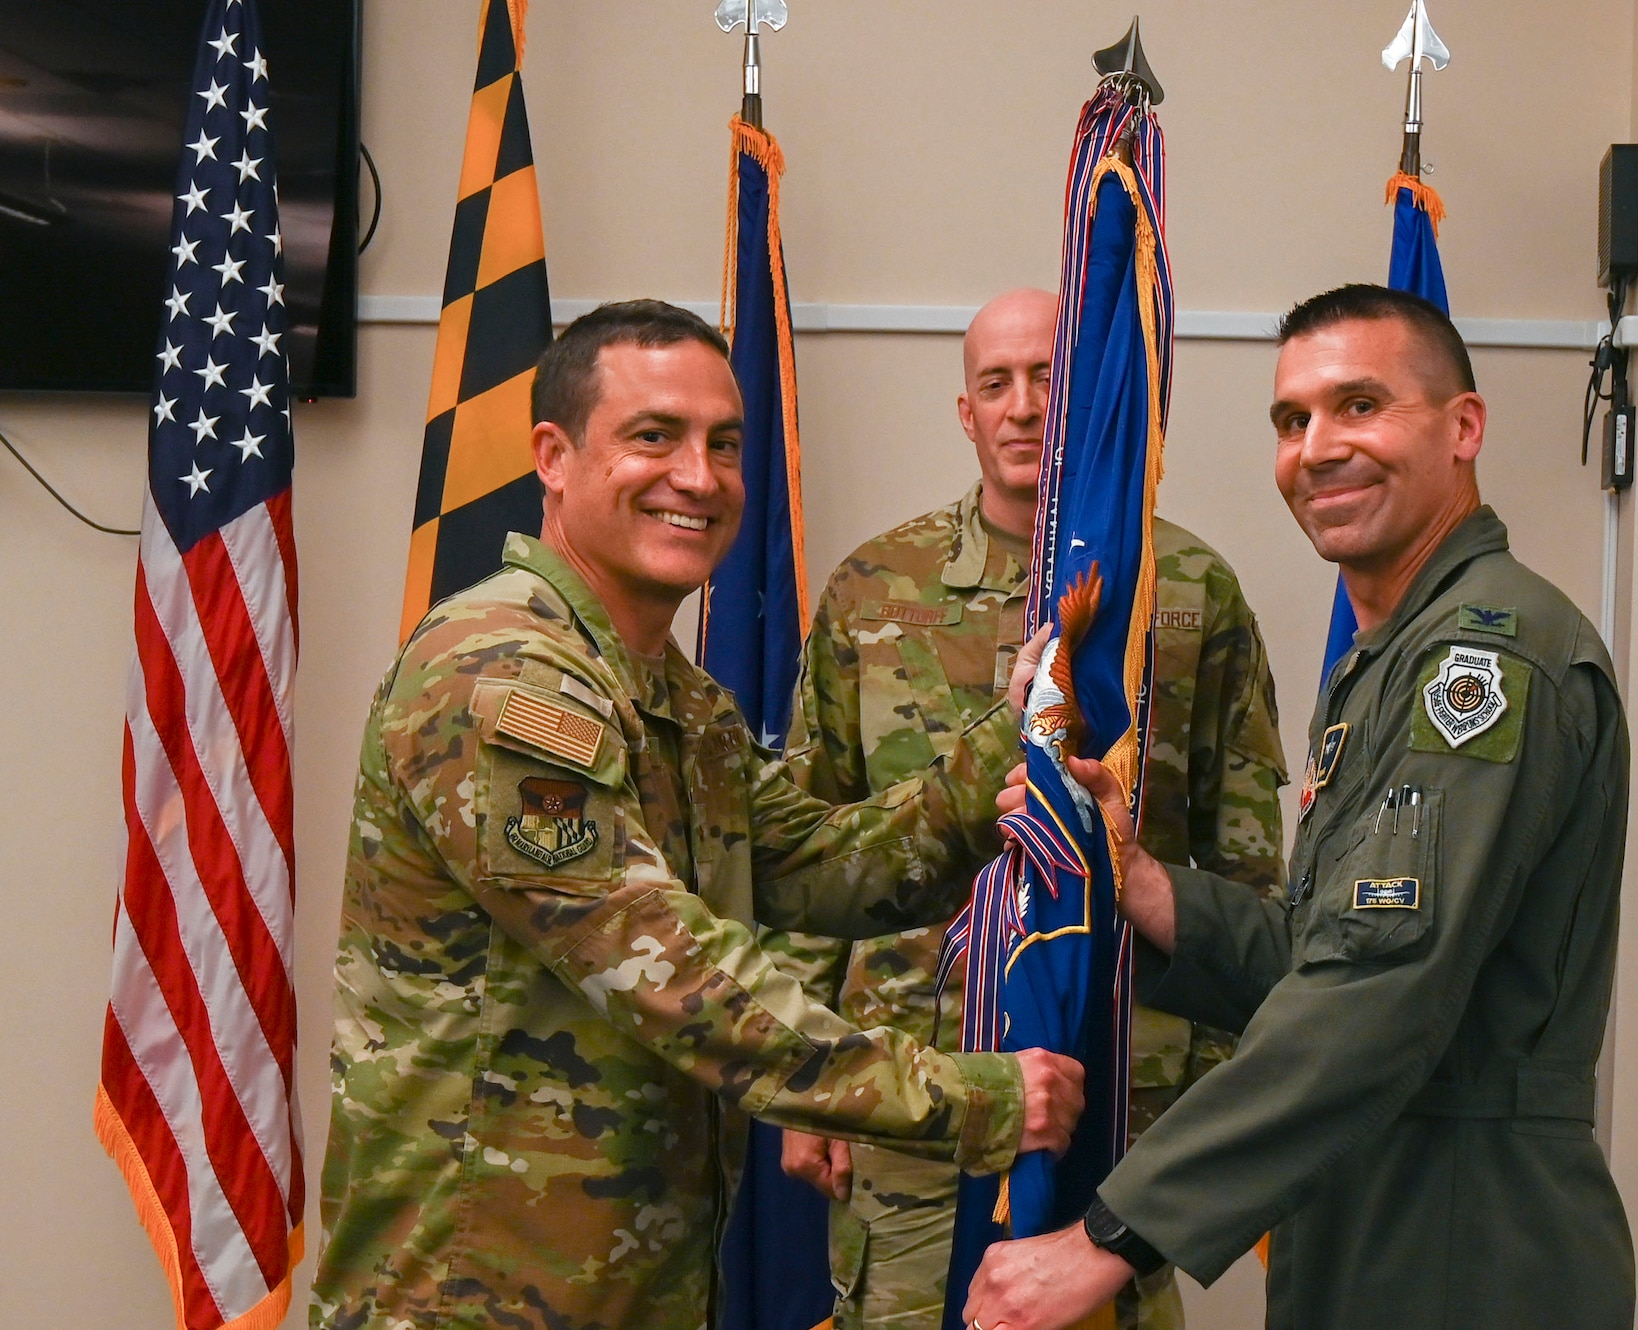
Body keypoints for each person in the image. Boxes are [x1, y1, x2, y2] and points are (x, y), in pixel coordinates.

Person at [308, 300, 1085, 1330]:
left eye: (723, 443)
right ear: (552, 454)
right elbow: (669, 972)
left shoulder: (668, 695)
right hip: (474, 1294)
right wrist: (965, 1096)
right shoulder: (500, 672)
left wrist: (1017, 727)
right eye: (651, 437)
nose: (699, 476)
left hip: (632, 1285)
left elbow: (832, 865)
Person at [963, 284, 1635, 1330]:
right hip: (1372, 1205)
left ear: (1463, 427)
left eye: (1359, 405)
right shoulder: (1387, 659)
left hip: (1461, 1235)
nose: (1317, 448)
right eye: (1292, 420)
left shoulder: (1483, 658)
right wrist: (1135, 879)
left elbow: (1377, 991)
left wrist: (1108, 1235)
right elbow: (1322, 956)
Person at [769, 288, 1290, 1330]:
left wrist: (1219, 1100)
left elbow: (1241, 868)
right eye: (993, 384)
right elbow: (807, 846)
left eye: (1046, 378)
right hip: (916, 1084)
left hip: (1123, 1092)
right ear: (964, 411)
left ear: (1087, 396)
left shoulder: (1185, 591)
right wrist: (802, 1081)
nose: (1020, 407)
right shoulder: (874, 589)